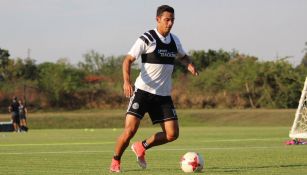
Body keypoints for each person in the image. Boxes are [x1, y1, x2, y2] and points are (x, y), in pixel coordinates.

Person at [109, 5, 199, 173]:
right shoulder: (147, 38)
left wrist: (190, 65)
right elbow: (127, 60)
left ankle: (141, 147)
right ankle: (116, 160)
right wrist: (126, 82)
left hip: (163, 96)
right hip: (142, 93)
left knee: (172, 134)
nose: (170, 23)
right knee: (129, 131)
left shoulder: (174, 40)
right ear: (157, 19)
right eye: (167, 20)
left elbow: (183, 56)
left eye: (172, 20)